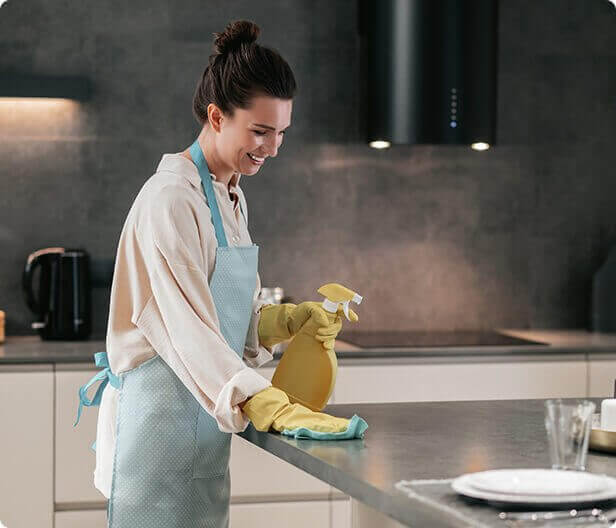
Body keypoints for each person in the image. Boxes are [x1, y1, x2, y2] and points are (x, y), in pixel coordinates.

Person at [75, 20, 363, 528]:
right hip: (157, 433)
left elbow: (230, 316)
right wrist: (264, 400)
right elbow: (187, 330)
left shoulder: (230, 195)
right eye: (260, 131)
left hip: (204, 431)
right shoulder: (169, 200)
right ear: (216, 116)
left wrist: (284, 321)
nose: (272, 148)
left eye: (281, 133)